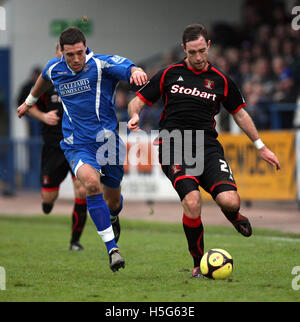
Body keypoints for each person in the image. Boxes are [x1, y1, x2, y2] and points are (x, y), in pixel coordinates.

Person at [127, 24, 280, 278]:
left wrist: (261, 146)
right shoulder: (168, 73)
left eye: (202, 51)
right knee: (192, 201)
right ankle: (199, 264)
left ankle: (233, 215)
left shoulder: (221, 80)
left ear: (208, 46)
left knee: (230, 200)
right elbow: (137, 100)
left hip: (208, 147)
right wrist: (134, 116)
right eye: (192, 52)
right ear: (183, 49)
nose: (198, 58)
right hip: (174, 144)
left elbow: (240, 114)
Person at [17, 27, 148, 272]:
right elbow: (43, 79)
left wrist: (137, 71)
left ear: (86, 47)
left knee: (113, 201)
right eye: (70, 55)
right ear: (62, 52)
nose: (76, 59)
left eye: (79, 53)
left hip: (108, 143)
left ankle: (113, 215)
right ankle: (113, 250)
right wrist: (29, 102)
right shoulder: (55, 68)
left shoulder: (101, 64)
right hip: (77, 143)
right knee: (90, 184)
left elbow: (127, 67)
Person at [27, 45, 87, 251]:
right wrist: (43, 116)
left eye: (74, 53)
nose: (70, 57)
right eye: (65, 53)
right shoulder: (49, 79)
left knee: (82, 189)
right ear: (57, 54)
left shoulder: (84, 78)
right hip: (54, 146)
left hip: (78, 145)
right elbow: (28, 103)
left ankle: (75, 241)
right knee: (48, 197)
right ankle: (47, 203)